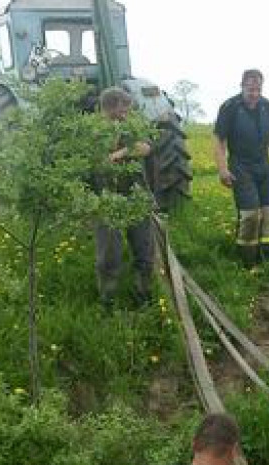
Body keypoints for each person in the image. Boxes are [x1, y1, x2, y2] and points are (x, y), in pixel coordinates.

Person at [213, 69, 269, 266]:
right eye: (250, 89)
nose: (254, 94)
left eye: (258, 89)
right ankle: (247, 261)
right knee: (250, 214)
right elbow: (219, 140)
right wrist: (222, 169)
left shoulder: (266, 105)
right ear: (242, 86)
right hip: (241, 167)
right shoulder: (229, 107)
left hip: (264, 165)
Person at [96, 86, 155, 309]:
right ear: (111, 108)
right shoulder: (93, 132)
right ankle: (108, 301)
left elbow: (146, 147)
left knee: (144, 250)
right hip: (106, 201)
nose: (126, 114)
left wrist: (120, 153)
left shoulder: (132, 127)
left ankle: (144, 298)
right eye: (123, 110)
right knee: (108, 256)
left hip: (136, 197)